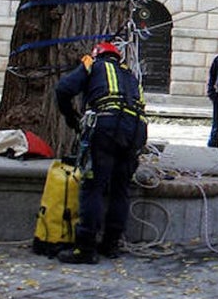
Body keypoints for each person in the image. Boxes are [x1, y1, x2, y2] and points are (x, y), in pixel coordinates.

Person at [54, 41, 149, 264]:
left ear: (97, 54)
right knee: (120, 188)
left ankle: (85, 249)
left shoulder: (93, 64)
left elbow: (63, 89)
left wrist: (72, 118)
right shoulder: (130, 75)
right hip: (137, 130)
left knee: (93, 186)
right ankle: (111, 244)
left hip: (107, 125)